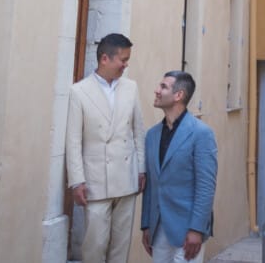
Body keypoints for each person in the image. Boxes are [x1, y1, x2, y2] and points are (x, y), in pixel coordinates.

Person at [67, 33, 147, 263]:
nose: (126, 65)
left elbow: (138, 131)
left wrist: (141, 169)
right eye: (123, 59)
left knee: (121, 246)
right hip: (95, 180)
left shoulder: (131, 88)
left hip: (126, 178)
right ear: (105, 59)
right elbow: (73, 140)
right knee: (95, 245)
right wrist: (77, 180)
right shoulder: (79, 92)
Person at [140, 71, 217, 262]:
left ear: (179, 95)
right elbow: (151, 185)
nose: (157, 91)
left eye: (163, 86)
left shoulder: (201, 134)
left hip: (187, 230)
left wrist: (196, 229)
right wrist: (146, 224)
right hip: (158, 229)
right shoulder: (152, 135)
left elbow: (206, 187)